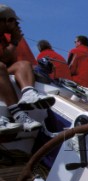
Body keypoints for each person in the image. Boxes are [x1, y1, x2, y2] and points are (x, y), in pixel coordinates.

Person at [0, 5, 55, 133]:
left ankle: (28, 93)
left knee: (23, 64)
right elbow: (3, 59)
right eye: (14, 21)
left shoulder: (3, 37)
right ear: (6, 21)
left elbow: (9, 59)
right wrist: (14, 41)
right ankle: (18, 114)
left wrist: (13, 41)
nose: (17, 25)